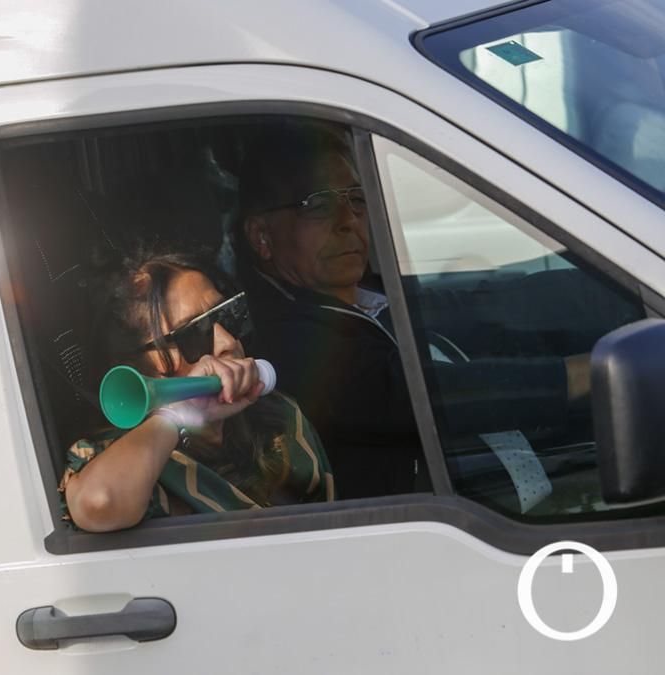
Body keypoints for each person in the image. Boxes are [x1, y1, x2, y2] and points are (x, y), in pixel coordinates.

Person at [235, 120, 592, 499]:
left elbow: (480, 318)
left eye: (356, 199)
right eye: (319, 205)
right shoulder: (281, 345)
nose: (348, 221)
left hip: (510, 487)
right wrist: (577, 376)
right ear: (262, 237)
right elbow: (418, 395)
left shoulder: (371, 295)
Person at [59, 248, 334, 533]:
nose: (227, 342)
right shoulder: (114, 456)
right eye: (194, 333)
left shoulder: (277, 416)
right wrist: (179, 415)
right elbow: (100, 502)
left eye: (227, 315)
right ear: (136, 365)